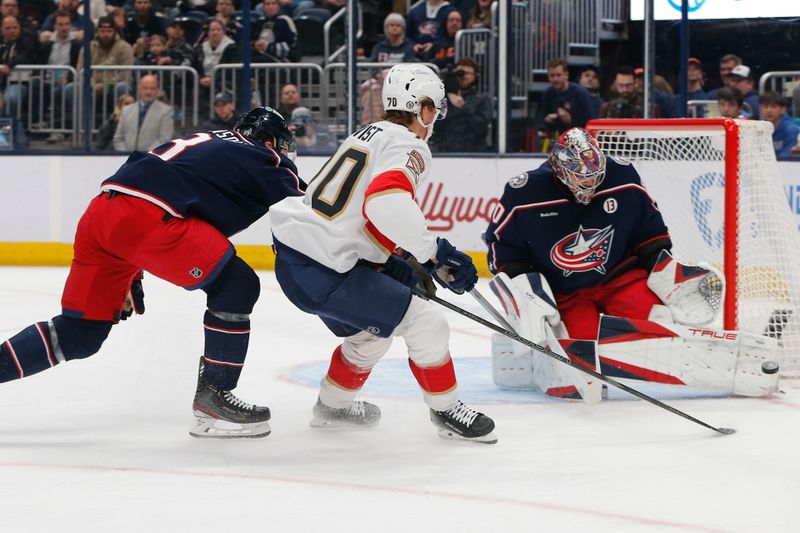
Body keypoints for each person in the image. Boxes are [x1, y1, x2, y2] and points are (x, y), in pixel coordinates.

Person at [0, 106, 305, 439]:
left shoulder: (208, 140)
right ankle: (214, 397)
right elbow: (318, 209)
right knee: (237, 285)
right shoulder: (264, 156)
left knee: (80, 334)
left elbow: (147, 178)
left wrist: (132, 265)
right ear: (270, 139)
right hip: (145, 217)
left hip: (102, 212)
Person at [269, 63, 497, 443]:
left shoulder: (366, 134)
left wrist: (397, 261)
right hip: (328, 269)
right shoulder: (411, 144)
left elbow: (356, 212)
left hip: (296, 262)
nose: (434, 119)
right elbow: (385, 203)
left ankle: (333, 407)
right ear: (422, 108)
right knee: (426, 323)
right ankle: (447, 410)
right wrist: (434, 253)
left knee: (370, 333)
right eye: (434, 110)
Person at [484, 128, 775, 398]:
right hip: (565, 294)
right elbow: (502, 250)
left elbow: (649, 232)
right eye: (581, 177)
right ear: (560, 169)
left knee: (656, 331)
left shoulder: (621, 175)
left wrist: (669, 273)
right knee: (580, 364)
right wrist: (527, 294)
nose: (589, 183)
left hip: (619, 277)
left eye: (595, 175)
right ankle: (543, 362)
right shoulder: (524, 192)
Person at [430, 57, 492, 152]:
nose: (463, 76)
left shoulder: (482, 99)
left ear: (475, 76)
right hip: (443, 151)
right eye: (460, 72)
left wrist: (463, 107)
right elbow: (435, 126)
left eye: (467, 73)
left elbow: (481, 128)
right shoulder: (442, 98)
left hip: (474, 152)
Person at [113, 74, 175, 151]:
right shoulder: (126, 110)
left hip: (151, 160)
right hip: (126, 159)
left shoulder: (166, 111)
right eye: (145, 88)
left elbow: (164, 139)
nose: (148, 92)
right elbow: (118, 139)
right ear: (139, 89)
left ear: (157, 90)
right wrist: (126, 155)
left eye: (152, 88)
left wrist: (144, 156)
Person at [536, 58, 595, 138]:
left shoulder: (580, 93)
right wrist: (547, 120)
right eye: (552, 75)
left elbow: (590, 123)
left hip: (579, 139)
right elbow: (540, 120)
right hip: (554, 138)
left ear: (566, 75)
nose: (555, 79)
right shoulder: (547, 94)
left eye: (558, 75)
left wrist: (570, 120)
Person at [759, 91, 798, 158]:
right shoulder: (759, 129)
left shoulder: (791, 129)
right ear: (761, 109)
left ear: (782, 109)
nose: (769, 110)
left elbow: (787, 157)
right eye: (765, 107)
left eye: (773, 107)